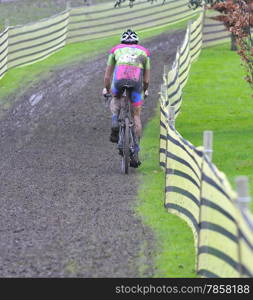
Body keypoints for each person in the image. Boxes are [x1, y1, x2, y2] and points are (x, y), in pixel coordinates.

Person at [102, 29, 150, 167]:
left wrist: (107, 89)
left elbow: (107, 76)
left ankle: (115, 123)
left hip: (119, 80)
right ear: (137, 42)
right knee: (136, 116)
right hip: (136, 83)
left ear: (122, 41)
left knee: (116, 98)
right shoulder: (145, 52)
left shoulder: (115, 50)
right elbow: (146, 80)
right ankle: (135, 151)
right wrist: (145, 91)